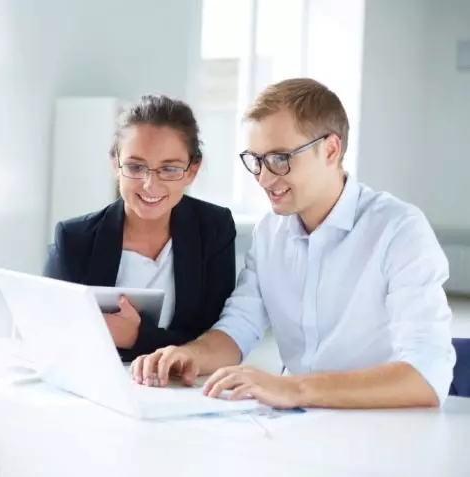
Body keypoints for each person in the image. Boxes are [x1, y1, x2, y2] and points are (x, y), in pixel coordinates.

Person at [131, 78, 456, 409]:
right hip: (298, 425)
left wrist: (292, 388)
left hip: (384, 426)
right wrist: (189, 355)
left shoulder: (398, 230)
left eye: (280, 158)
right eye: (256, 160)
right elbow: (239, 325)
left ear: (331, 149)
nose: (264, 178)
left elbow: (426, 376)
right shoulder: (270, 232)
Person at [43, 94, 237, 362]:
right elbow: (52, 337)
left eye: (169, 169)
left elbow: (217, 339)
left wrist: (135, 336)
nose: (150, 185)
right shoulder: (74, 240)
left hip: (185, 388)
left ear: (192, 170)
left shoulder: (213, 228)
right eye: (135, 166)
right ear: (115, 164)